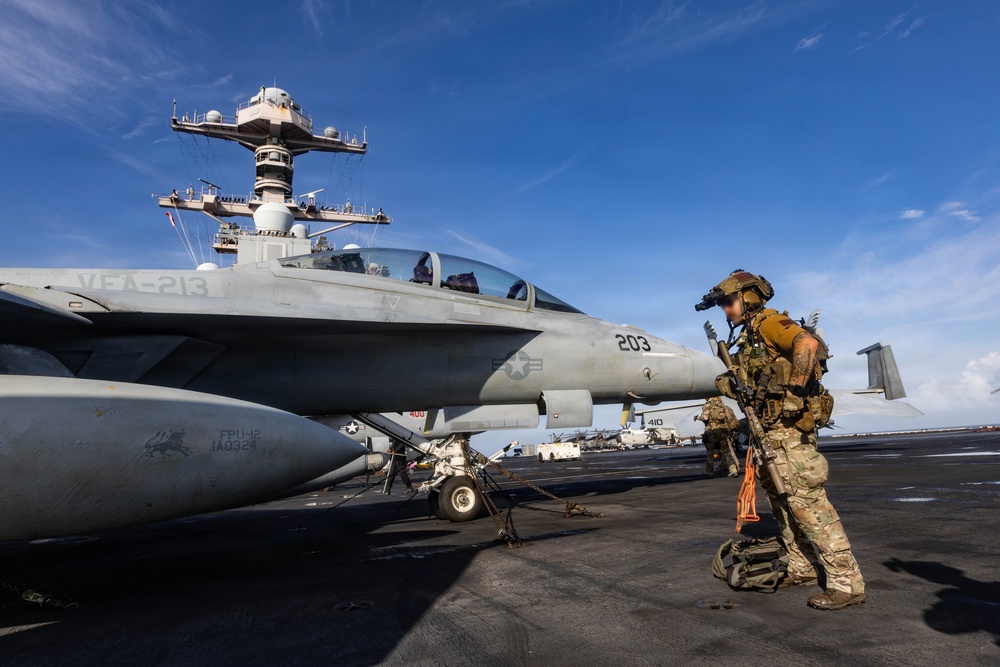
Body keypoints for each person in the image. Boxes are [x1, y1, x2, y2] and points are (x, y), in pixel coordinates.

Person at [696, 269, 867, 611]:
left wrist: (794, 392)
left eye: (730, 302)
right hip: (769, 432)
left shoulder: (771, 323)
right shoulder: (750, 335)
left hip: (790, 434)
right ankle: (801, 567)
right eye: (724, 305)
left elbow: (807, 343)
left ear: (749, 297)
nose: (727, 310)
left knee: (808, 506)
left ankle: (847, 583)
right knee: (783, 506)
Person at [695, 397, 740, 477]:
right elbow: (729, 418)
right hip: (722, 431)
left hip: (712, 431)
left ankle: (709, 472)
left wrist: (697, 417)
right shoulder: (722, 405)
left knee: (710, 452)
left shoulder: (707, 405)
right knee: (726, 451)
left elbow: (705, 418)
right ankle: (733, 470)